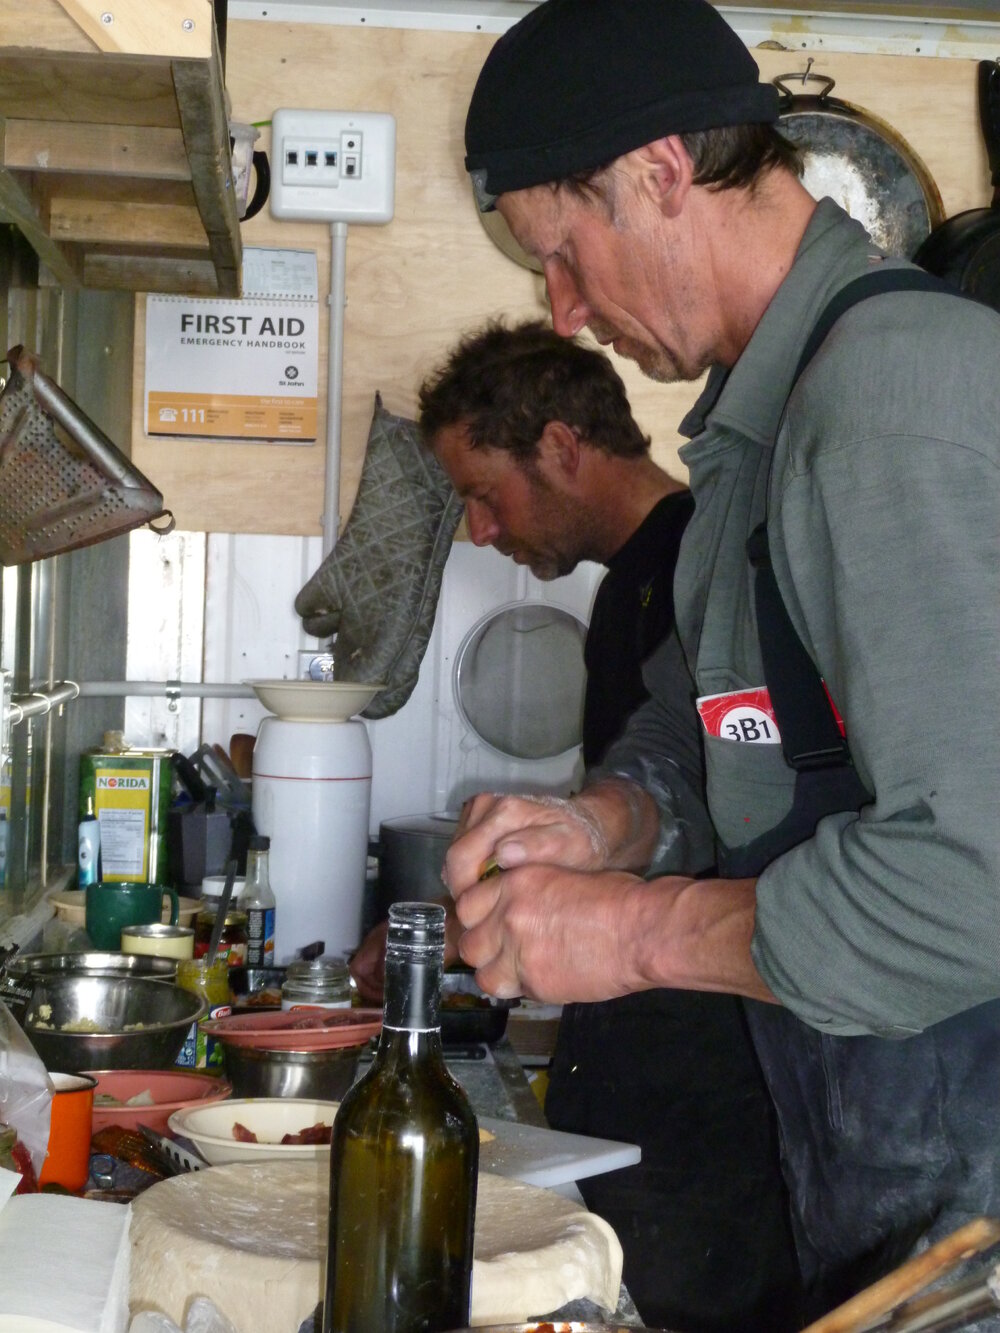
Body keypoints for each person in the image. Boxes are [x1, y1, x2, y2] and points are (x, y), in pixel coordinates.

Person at [445, 0, 1000, 1325]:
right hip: (878, 1179)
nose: (566, 313)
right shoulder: (767, 425)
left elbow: (972, 876)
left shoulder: (893, 406)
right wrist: (604, 822)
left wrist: (633, 932)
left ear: (658, 171)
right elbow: (716, 725)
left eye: (563, 259)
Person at [351, 319, 802, 1332]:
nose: (477, 530)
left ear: (561, 446)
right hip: (651, 1065)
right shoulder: (639, 585)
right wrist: (452, 912)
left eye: (481, 493)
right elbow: (614, 813)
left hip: (712, 1086)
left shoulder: (699, 566)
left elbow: (730, 820)